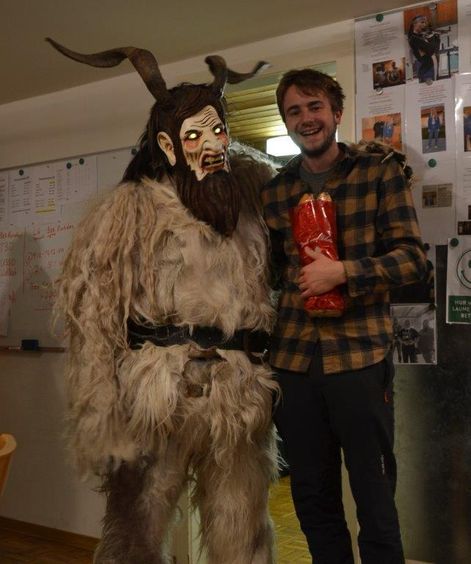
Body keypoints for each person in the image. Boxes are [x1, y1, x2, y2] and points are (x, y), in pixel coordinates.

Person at [49, 38, 278, 563]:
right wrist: (100, 409)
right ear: (169, 146)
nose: (212, 145)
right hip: (159, 394)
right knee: (138, 528)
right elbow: (93, 313)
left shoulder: (252, 198)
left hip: (239, 396)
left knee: (243, 526)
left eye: (218, 130)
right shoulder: (128, 211)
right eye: (194, 135)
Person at [261, 68, 426, 564]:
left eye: (314, 107)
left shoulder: (378, 173)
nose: (305, 119)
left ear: (336, 112)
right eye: (294, 111)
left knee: (374, 497)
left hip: (359, 359)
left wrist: (344, 273)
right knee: (313, 500)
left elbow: (412, 260)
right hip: (292, 364)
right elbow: (268, 274)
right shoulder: (275, 191)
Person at [407, 14, 440, 84]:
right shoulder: (414, 38)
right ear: (415, 24)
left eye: (425, 22)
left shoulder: (420, 36)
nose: (424, 24)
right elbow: (430, 50)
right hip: (426, 68)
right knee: (430, 86)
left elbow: (434, 49)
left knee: (434, 83)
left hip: (429, 64)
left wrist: (434, 37)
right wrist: (431, 37)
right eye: (422, 22)